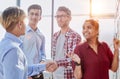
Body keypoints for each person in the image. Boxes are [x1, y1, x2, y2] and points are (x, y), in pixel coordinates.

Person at [0, 6, 57, 79]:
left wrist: (44, 66)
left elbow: (22, 69)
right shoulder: (13, 50)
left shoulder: (5, 43)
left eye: (36, 14)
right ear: (20, 24)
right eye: (24, 21)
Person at [52, 6, 81, 79]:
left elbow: (72, 59)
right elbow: (54, 56)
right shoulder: (54, 36)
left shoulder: (75, 36)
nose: (59, 19)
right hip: (55, 75)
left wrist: (57, 63)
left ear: (69, 18)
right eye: (57, 16)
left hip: (68, 76)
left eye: (62, 16)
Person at [21, 4, 46, 79]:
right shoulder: (21, 33)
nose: (34, 17)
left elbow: (43, 53)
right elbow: (17, 55)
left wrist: (43, 60)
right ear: (27, 16)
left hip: (40, 75)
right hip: (26, 75)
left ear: (40, 17)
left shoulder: (41, 36)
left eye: (37, 14)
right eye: (32, 14)